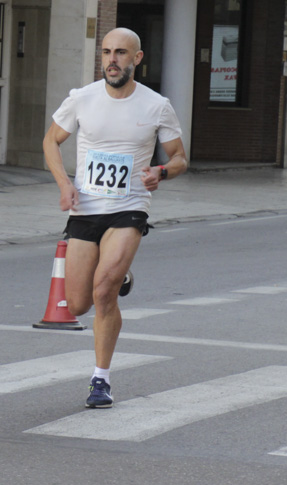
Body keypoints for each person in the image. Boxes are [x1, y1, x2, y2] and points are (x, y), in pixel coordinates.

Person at [42, 27, 186, 408]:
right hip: (85, 208)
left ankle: (100, 380)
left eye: (121, 52)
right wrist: (63, 184)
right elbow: (50, 141)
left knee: (103, 290)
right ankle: (119, 270)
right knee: (77, 305)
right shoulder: (81, 99)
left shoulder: (157, 105)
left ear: (137, 59)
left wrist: (163, 172)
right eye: (106, 52)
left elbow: (179, 157)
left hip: (130, 206)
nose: (112, 59)